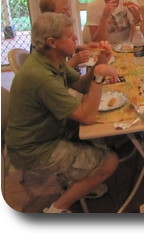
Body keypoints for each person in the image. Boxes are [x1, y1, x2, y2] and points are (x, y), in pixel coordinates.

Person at [5, 12, 119, 213]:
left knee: (101, 134)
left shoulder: (50, 61)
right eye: (70, 35)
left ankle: (81, 179)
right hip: (35, 148)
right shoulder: (42, 76)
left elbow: (82, 86)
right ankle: (57, 209)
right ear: (52, 42)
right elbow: (87, 116)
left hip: (46, 132)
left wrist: (98, 63)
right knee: (109, 162)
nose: (76, 38)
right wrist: (99, 76)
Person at [39, 0, 98, 68]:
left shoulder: (57, 31)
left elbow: (60, 52)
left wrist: (78, 49)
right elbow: (53, 74)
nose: (69, 14)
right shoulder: (43, 39)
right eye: (63, 11)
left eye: (68, 9)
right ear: (50, 15)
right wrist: (74, 61)